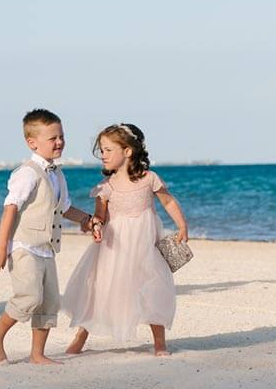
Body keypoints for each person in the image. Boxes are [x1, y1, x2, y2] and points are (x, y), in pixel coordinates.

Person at [61, 123, 188, 356]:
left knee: (152, 287)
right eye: (101, 150)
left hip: (145, 246)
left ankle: (160, 342)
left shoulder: (149, 179)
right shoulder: (106, 186)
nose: (103, 155)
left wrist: (182, 225)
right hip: (115, 246)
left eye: (108, 150)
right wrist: (96, 226)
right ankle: (80, 336)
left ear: (128, 151)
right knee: (100, 289)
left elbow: (168, 201)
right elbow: (99, 216)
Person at [0, 109, 94, 365]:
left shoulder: (57, 173)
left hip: (46, 248)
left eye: (61, 136)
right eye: (52, 138)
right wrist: (2, 248)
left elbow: (64, 207)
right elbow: (10, 209)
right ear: (32, 142)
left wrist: (87, 220)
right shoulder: (27, 173)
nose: (59, 142)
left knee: (49, 302)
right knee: (29, 297)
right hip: (24, 246)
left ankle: (37, 353)